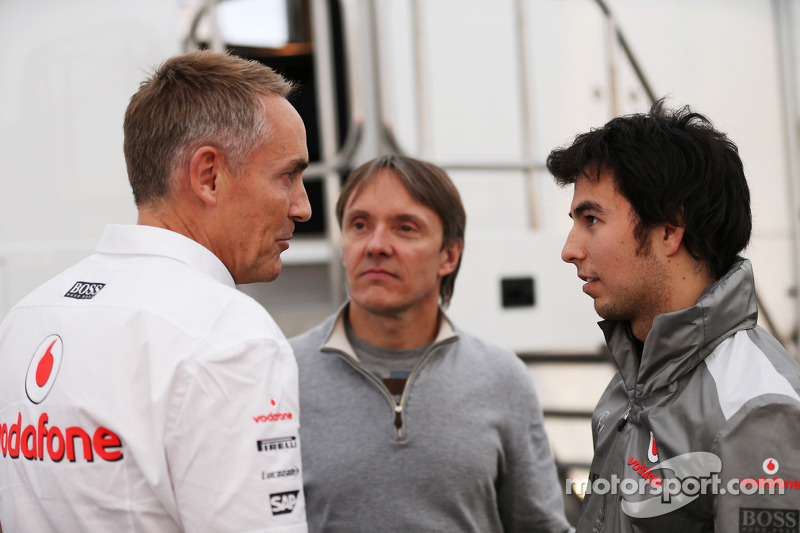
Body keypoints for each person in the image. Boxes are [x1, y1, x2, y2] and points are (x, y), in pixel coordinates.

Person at [0, 51, 311, 532]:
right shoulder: (229, 335)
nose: (303, 206)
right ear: (209, 175)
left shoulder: (28, 317)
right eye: (287, 175)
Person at [548, 100, 800, 530]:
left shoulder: (756, 407)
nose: (570, 250)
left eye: (591, 219)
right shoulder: (630, 381)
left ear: (669, 229)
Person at [290, 155, 573, 532]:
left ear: (449, 256)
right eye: (359, 225)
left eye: (405, 228)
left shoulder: (502, 378)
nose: (376, 245)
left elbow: (540, 526)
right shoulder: (282, 372)